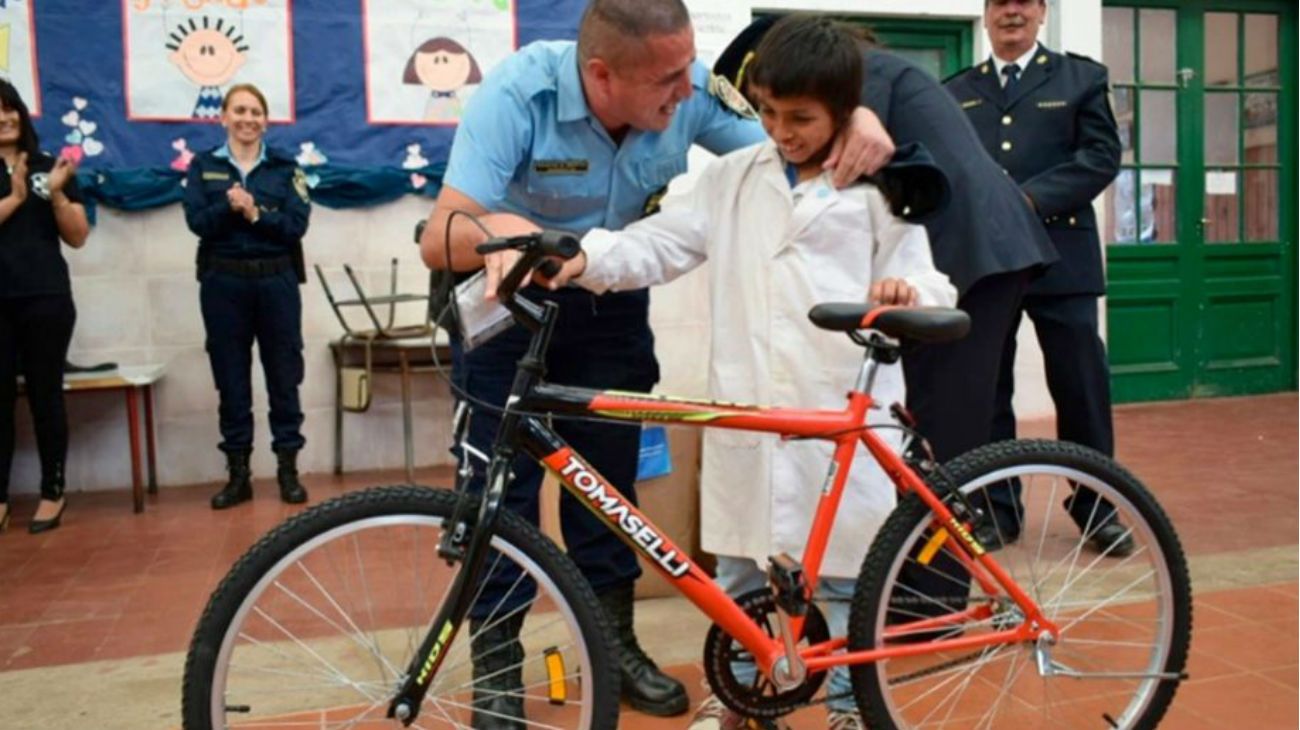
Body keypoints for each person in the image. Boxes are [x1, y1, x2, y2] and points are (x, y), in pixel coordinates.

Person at [419, 0, 893, 724]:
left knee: (608, 485)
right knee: (496, 493)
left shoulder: (689, 87)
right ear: (603, 75)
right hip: (511, 298)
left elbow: (790, 144)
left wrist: (857, 117)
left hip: (607, 294)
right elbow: (438, 237)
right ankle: (498, 669)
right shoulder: (521, 92)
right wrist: (509, 230)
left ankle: (613, 647)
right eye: (668, 79)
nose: (688, 91)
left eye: (689, 68)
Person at [545, 17, 956, 729]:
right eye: (767, 112)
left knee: (841, 587)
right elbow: (659, 244)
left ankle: (849, 710)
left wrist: (903, 295)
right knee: (735, 581)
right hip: (749, 415)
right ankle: (738, 697)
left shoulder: (879, 189)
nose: (780, 131)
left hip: (838, 425)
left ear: (844, 110)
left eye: (800, 118)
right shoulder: (732, 178)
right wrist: (587, 259)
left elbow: (928, 283)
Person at [713, 13, 1057, 516]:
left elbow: (857, 152)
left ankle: (931, 584)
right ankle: (974, 531)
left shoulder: (859, 76)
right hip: (982, 249)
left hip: (967, 248)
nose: (778, 125)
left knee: (940, 434)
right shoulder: (875, 71)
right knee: (964, 413)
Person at [946, 0, 1130, 554]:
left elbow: (1100, 157)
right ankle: (996, 511)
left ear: (1042, 11)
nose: (1012, 11)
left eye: (1024, 1)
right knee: (988, 389)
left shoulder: (1081, 78)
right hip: (989, 261)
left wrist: (1025, 200)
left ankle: (1097, 508)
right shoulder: (956, 90)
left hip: (1062, 257)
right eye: (1000, 2)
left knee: (1081, 387)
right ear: (985, 14)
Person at [182, 83, 312, 511]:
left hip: (276, 282)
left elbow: (296, 226)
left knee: (284, 376)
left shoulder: (284, 167)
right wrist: (229, 206)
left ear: (265, 120)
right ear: (223, 117)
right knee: (232, 380)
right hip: (224, 285)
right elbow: (198, 222)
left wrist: (254, 213)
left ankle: (287, 471)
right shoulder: (204, 167)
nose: (248, 118)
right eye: (239, 110)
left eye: (256, 111)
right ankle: (238, 476)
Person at [0, 81, 90, 535]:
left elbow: (78, 235)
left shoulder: (50, 166)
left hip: (45, 300)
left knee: (45, 396)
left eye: (10, 109)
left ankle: (53, 491)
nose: (4, 118)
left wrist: (54, 193)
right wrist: (15, 199)